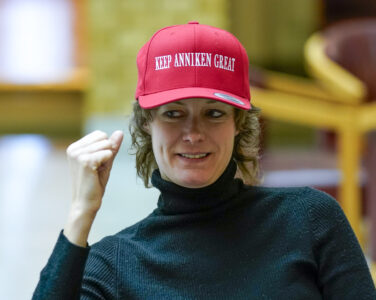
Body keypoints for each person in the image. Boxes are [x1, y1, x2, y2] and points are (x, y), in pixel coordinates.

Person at [33, 22, 375, 299]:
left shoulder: (310, 219)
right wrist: (80, 215)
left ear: (238, 124)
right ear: (146, 124)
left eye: (213, 113)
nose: (193, 133)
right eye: (173, 113)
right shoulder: (115, 263)